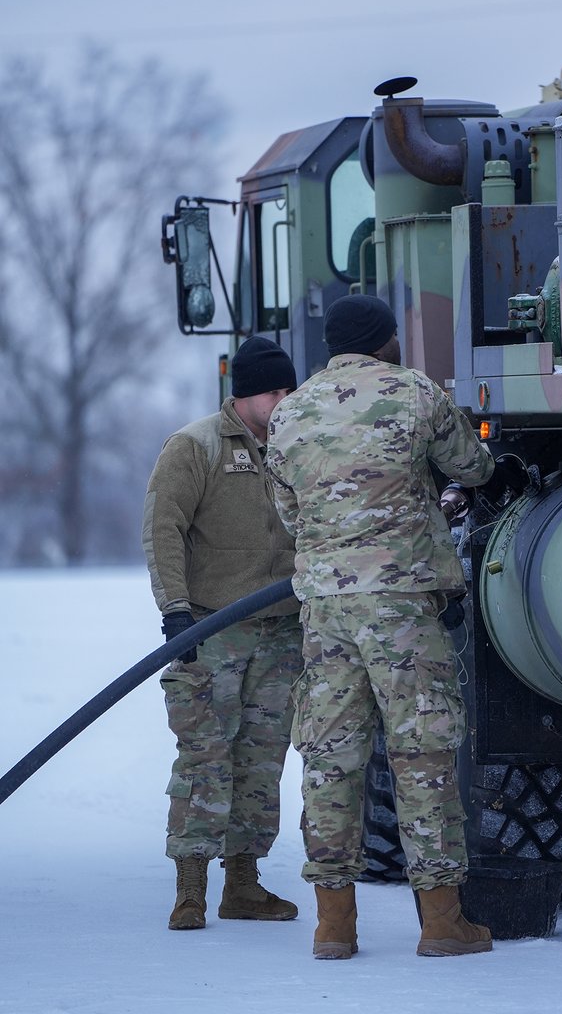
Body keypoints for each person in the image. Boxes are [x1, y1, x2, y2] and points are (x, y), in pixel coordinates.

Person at [267, 294, 496, 960]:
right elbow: (474, 467)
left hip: (327, 609)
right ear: (386, 341)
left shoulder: (290, 413)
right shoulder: (415, 393)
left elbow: (289, 512)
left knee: (330, 757)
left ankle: (333, 925)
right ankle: (441, 922)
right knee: (422, 753)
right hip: (401, 607)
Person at [142, 335, 303, 931]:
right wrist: (176, 610)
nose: (284, 401)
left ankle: (244, 885)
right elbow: (163, 528)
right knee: (205, 759)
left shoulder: (298, 445)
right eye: (274, 391)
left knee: (260, 762)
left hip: (281, 634)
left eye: (290, 389)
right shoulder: (195, 446)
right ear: (244, 394)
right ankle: (190, 889)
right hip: (212, 631)